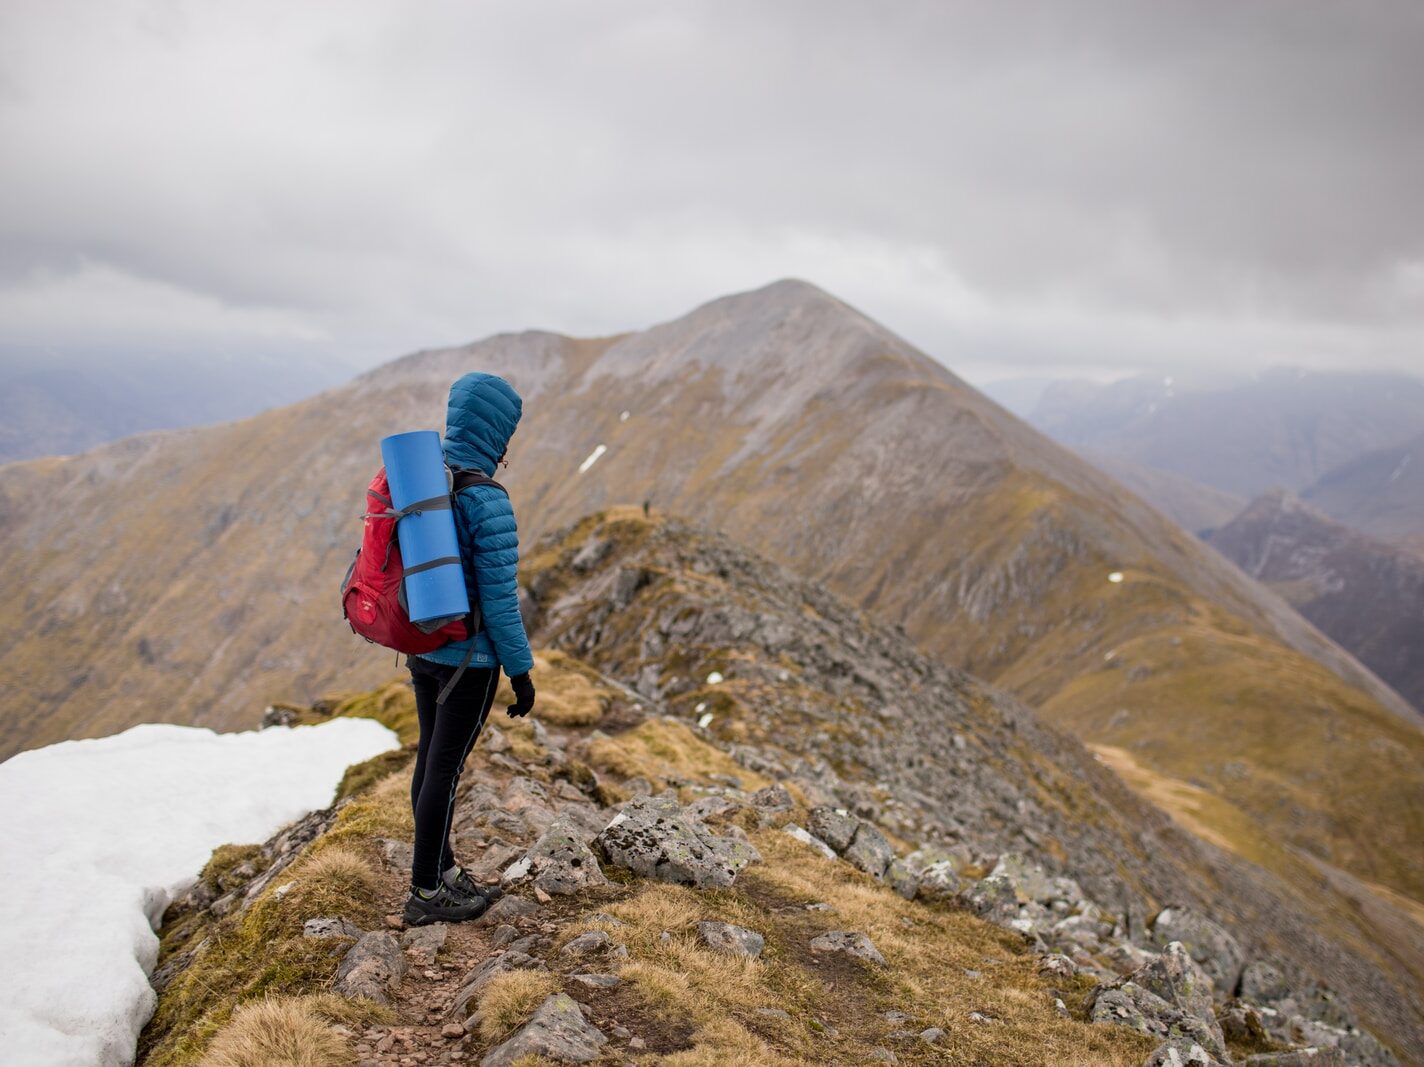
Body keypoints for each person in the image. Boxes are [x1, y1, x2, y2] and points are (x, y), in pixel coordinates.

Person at [402, 372, 537, 926]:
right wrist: (521, 672)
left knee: (430, 761)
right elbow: (502, 602)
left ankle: (444, 870)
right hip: (470, 662)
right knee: (445, 771)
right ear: (497, 434)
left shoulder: (422, 483)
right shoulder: (486, 499)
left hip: (423, 648)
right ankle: (427, 893)